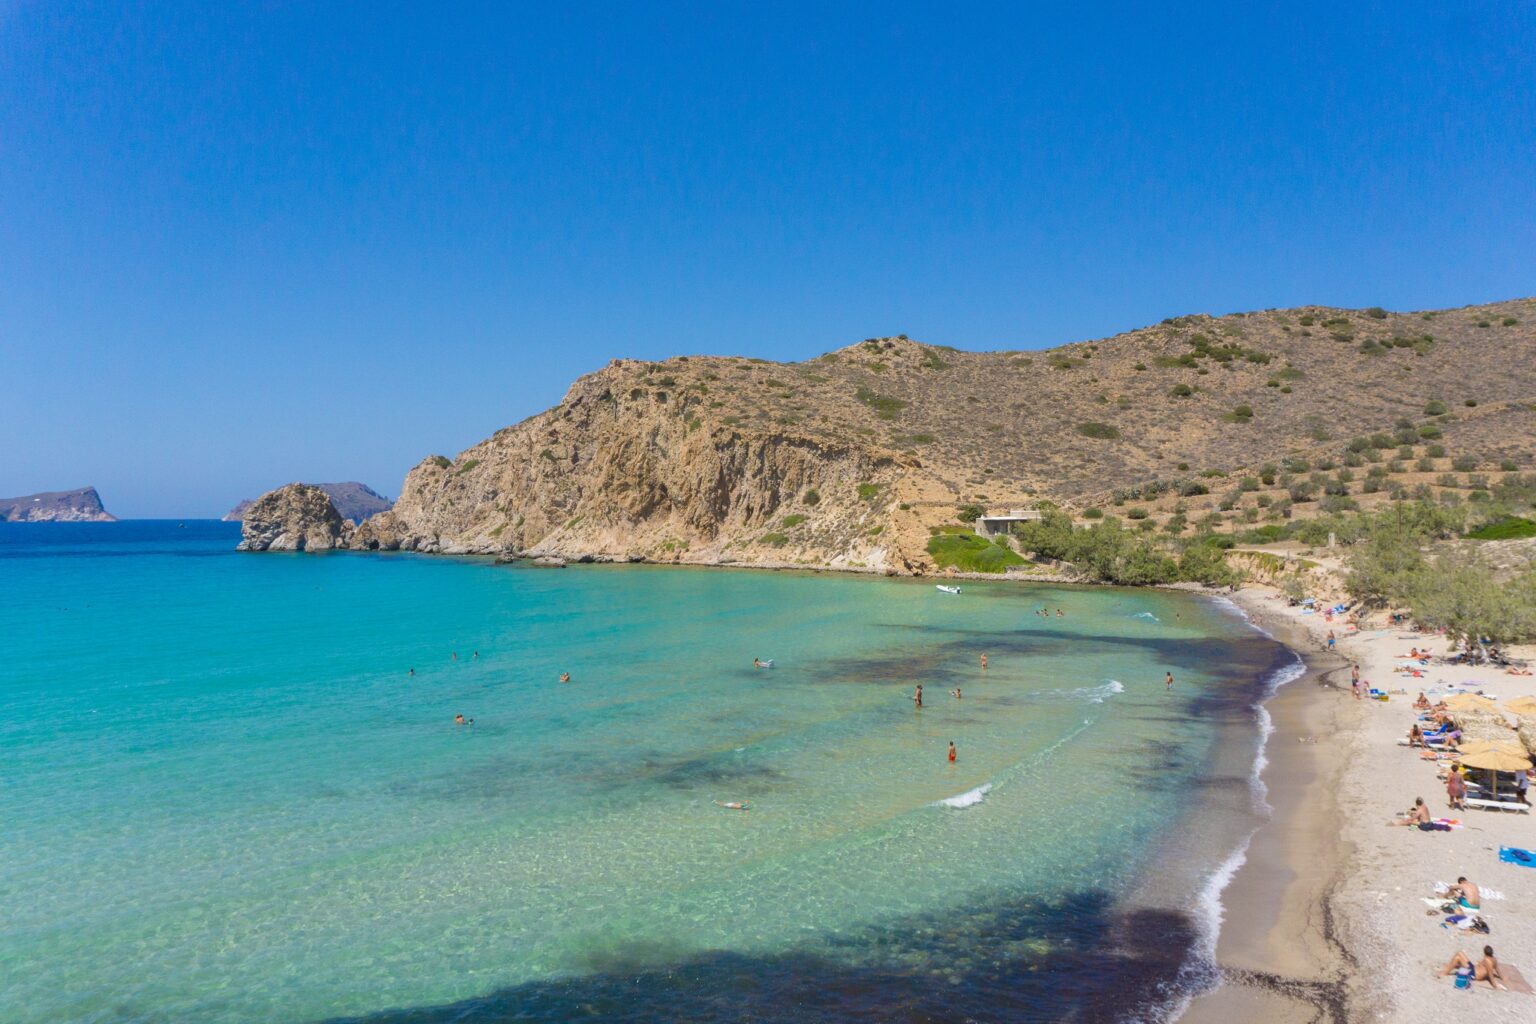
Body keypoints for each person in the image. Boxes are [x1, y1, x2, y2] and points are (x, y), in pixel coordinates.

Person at [1439, 946, 1506, 990]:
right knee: (1459, 953)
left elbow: (1490, 974)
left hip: (1473, 974)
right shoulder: (1494, 959)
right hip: (1473, 968)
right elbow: (1498, 969)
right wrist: (1502, 977)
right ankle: (1448, 968)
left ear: (1484, 953)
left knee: (1457, 958)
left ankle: (1444, 973)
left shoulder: (1487, 961)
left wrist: (1495, 986)